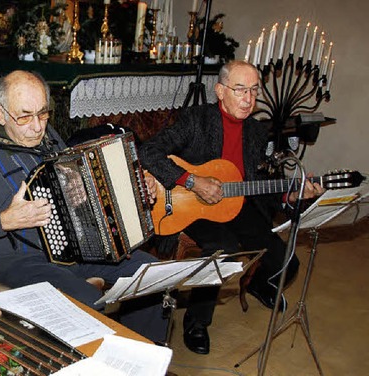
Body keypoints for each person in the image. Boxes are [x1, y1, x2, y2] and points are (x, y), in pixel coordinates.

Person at [0, 70, 168, 344]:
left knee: (152, 275)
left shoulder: (49, 139)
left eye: (43, 113)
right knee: (88, 302)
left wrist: (120, 191)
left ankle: (143, 356)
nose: (38, 126)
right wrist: (6, 220)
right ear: (1, 114)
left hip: (76, 250)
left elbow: (76, 193)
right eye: (25, 116)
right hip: (21, 261)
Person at [138, 60, 325, 355]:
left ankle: (257, 284)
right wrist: (191, 181)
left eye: (253, 91)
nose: (248, 99)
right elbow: (148, 151)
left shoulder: (256, 131)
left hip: (238, 203)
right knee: (222, 248)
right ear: (220, 91)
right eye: (240, 90)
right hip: (191, 205)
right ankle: (196, 322)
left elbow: (262, 183)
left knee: (285, 259)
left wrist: (292, 196)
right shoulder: (196, 120)